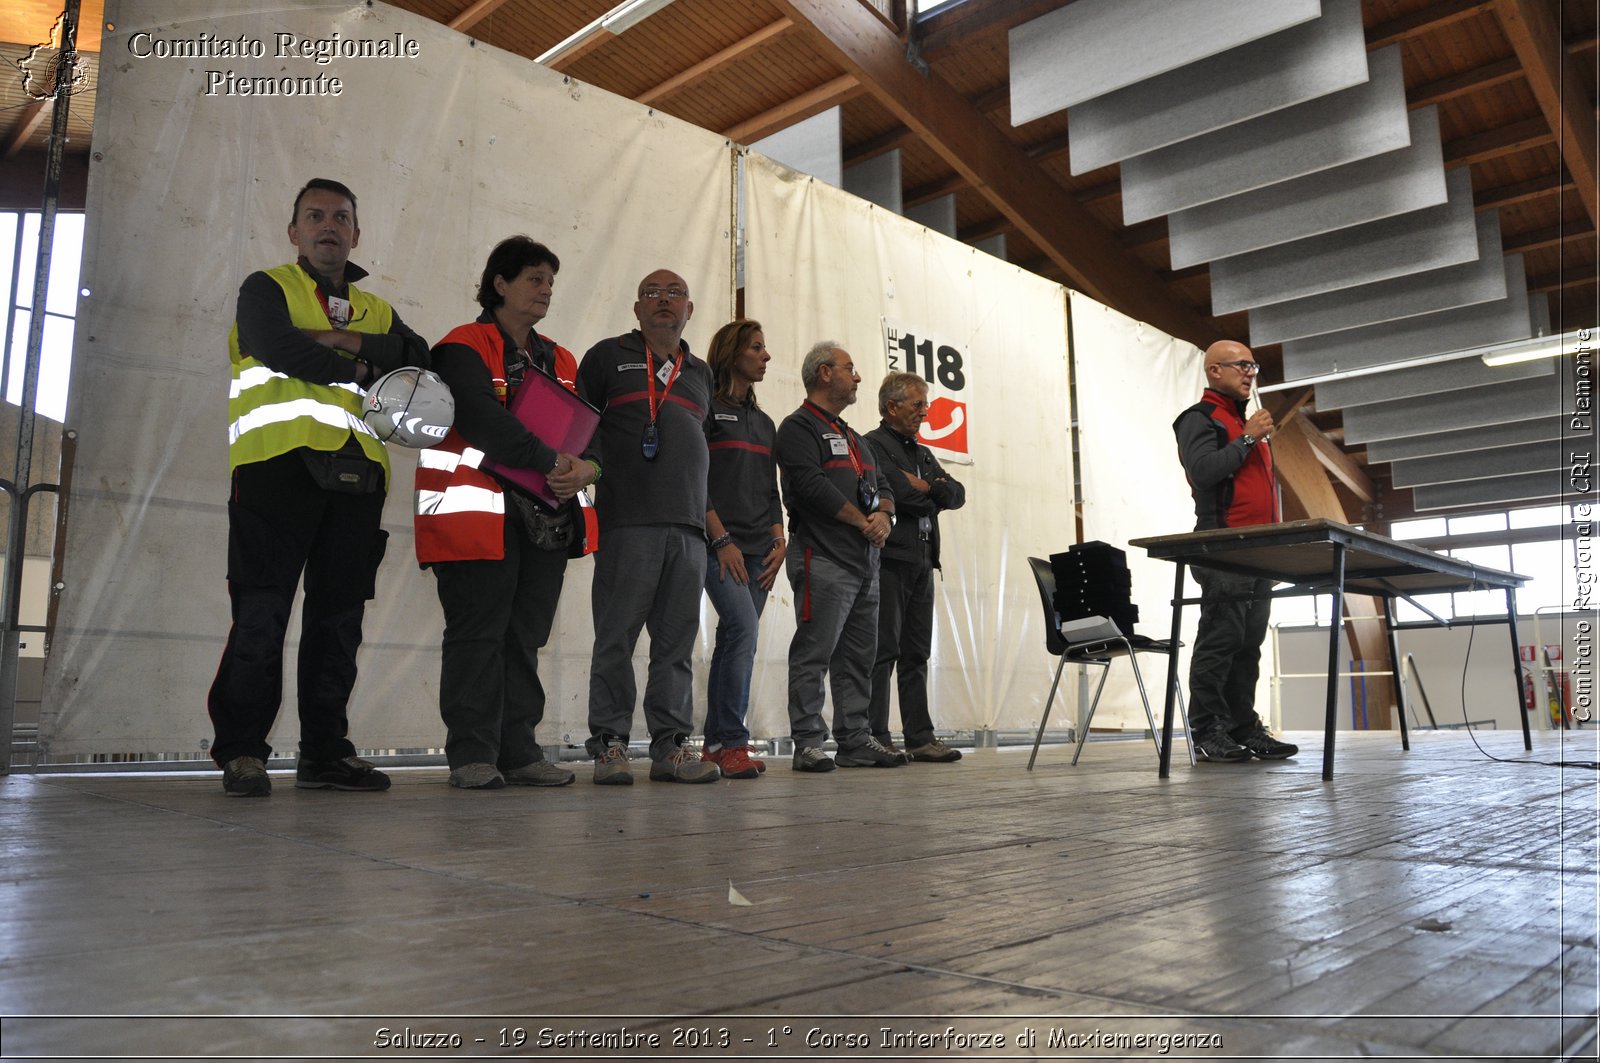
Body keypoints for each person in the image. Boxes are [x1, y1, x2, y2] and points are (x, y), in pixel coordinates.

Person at [207, 178, 429, 797]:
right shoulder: (266, 287)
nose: (328, 226)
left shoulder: (376, 310)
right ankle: (243, 752)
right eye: (315, 216)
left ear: (356, 234)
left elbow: (421, 360)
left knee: (339, 623)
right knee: (261, 615)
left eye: (340, 217)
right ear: (294, 232)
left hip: (358, 482)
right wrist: (362, 368)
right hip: (275, 471)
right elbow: (277, 349)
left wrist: (339, 340)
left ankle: (324, 753)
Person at [415, 236, 592, 790]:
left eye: (549, 282)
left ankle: (519, 753)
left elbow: (593, 431)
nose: (545, 290)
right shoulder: (461, 346)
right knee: (477, 635)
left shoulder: (562, 358)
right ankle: (472, 755)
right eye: (534, 278)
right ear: (499, 283)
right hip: (477, 516)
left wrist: (588, 470)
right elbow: (480, 419)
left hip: (548, 517)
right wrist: (553, 460)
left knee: (524, 638)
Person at [569, 270, 721, 785]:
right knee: (615, 638)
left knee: (675, 645)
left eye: (674, 293)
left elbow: (703, 452)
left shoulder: (700, 373)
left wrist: (712, 527)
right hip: (627, 523)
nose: (663, 301)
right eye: (652, 294)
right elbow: (580, 427)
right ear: (636, 309)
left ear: (690, 310)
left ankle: (671, 747)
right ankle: (610, 745)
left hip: (689, 529)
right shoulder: (606, 356)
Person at [777, 342, 902, 772]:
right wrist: (861, 521)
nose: (858, 377)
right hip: (823, 557)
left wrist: (884, 516)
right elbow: (812, 488)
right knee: (814, 652)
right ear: (825, 373)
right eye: (851, 368)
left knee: (859, 658)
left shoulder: (854, 438)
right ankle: (808, 742)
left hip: (865, 562)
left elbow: (884, 486)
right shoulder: (797, 428)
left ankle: (854, 739)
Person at [1173, 340, 1299, 763]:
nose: (1250, 373)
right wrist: (1247, 438)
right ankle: (1207, 730)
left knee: (1248, 644)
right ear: (1214, 371)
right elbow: (1204, 472)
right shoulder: (1200, 419)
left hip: (1258, 552)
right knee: (1220, 640)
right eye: (1241, 365)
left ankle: (1243, 727)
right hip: (1223, 546)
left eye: (1253, 366)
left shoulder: (1245, 425)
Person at [699, 320, 785, 781]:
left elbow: (771, 491)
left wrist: (779, 540)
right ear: (733, 353)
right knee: (742, 631)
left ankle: (716, 744)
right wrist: (721, 540)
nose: (766, 356)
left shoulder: (765, 421)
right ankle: (732, 741)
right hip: (720, 546)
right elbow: (696, 482)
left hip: (760, 550)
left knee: (737, 641)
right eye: (757, 347)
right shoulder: (707, 409)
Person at [865, 372, 966, 764]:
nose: (925, 412)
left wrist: (928, 488)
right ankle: (875, 734)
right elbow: (897, 493)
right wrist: (930, 490)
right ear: (892, 406)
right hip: (892, 562)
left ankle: (919, 738)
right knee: (884, 650)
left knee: (916, 653)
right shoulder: (873, 445)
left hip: (924, 563)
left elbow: (956, 493)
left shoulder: (921, 453)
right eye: (917, 404)